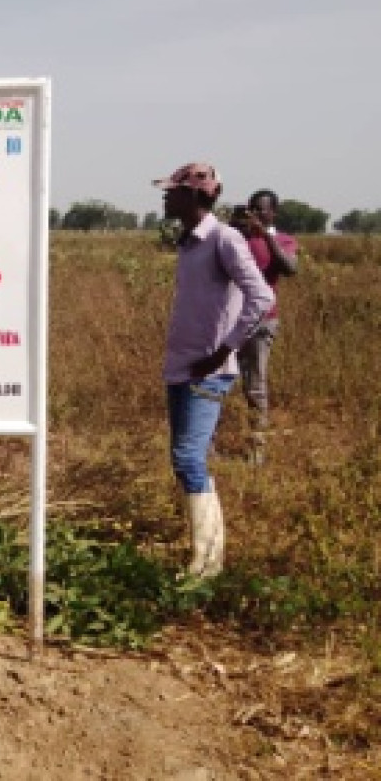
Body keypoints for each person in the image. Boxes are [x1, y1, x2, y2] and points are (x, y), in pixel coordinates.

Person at [155, 163, 274, 578]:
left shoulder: (224, 238)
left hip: (208, 370)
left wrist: (225, 349)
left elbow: (259, 296)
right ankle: (202, 556)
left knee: (189, 457)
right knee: (183, 457)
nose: (165, 197)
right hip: (183, 366)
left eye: (172, 192)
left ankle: (208, 564)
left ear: (193, 195)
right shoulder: (189, 243)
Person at [229, 190, 298, 464]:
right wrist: (235, 229)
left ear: (273, 213)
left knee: (255, 386)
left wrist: (265, 236)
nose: (256, 215)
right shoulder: (238, 239)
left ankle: (257, 449)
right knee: (220, 382)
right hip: (232, 321)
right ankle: (210, 444)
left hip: (263, 321)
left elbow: (290, 268)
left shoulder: (282, 240)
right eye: (252, 210)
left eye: (261, 210)